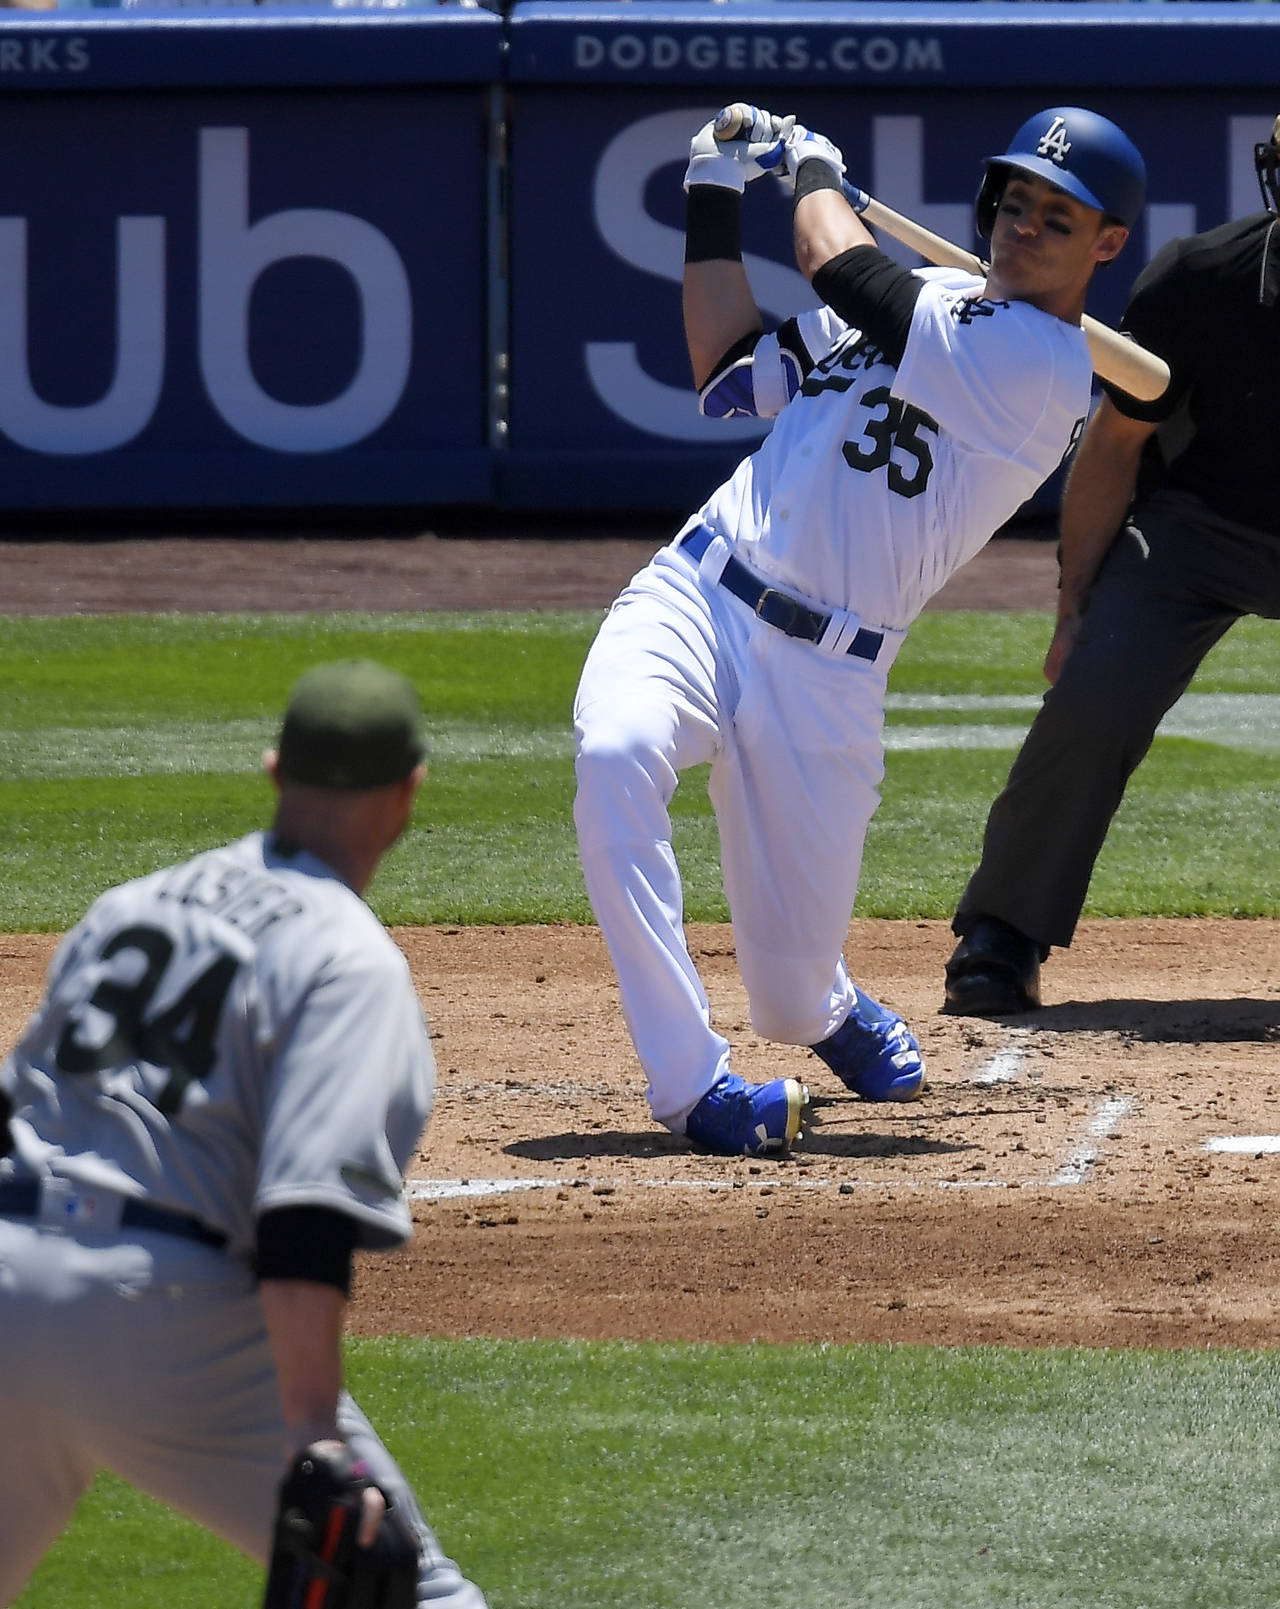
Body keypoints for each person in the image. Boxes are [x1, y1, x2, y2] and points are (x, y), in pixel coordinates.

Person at [572, 103, 1143, 1156]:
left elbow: (840, 267)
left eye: (1054, 218)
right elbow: (729, 374)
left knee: (787, 1000)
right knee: (614, 755)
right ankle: (691, 1086)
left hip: (826, 674)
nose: (1021, 225)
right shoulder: (928, 291)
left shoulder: (1045, 369)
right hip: (697, 591)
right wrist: (711, 192)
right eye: (1013, 202)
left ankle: (822, 1009)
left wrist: (812, 172)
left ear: (1105, 245)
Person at [0, 659, 488, 1609]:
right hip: (157, 1313)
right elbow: (304, 1209)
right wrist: (310, 1433)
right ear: (408, 794)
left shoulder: (128, 904)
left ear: (275, 771)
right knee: (415, 1592)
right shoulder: (348, 957)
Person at [943, 115, 1280, 1017]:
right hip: (1199, 532)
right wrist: (1072, 607)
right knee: (1100, 684)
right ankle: (1002, 932)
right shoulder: (1202, 280)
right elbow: (1114, 445)